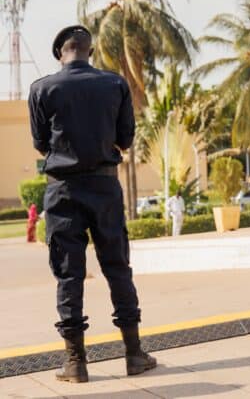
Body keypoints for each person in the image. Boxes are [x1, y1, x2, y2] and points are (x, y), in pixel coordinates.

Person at [27, 25, 157, 383]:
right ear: (89, 51)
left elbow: (41, 143)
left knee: (68, 274)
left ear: (60, 53)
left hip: (62, 190)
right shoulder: (114, 84)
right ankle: (133, 355)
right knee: (117, 267)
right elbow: (126, 139)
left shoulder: (41, 89)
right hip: (104, 186)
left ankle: (75, 363)